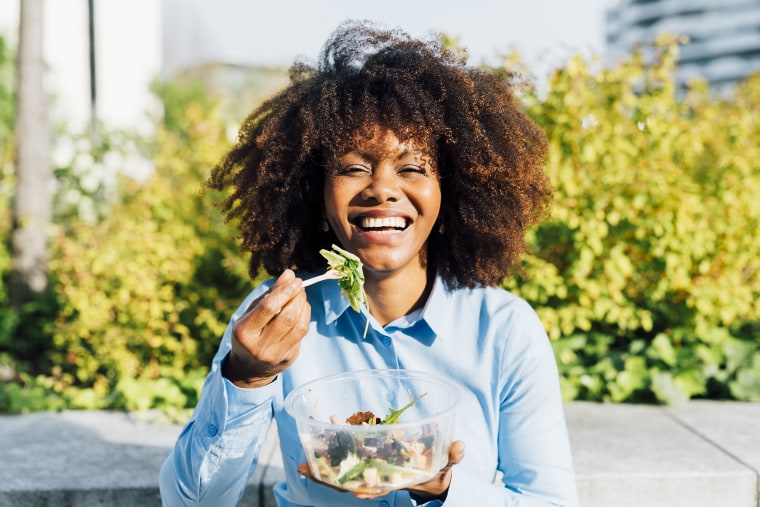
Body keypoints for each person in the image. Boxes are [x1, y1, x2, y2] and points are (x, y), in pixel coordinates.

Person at [159, 20, 578, 507]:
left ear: (452, 192)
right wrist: (247, 377)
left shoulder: (504, 331)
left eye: (412, 168)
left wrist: (443, 489)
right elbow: (192, 501)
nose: (382, 188)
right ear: (316, 193)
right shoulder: (278, 317)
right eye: (354, 167)